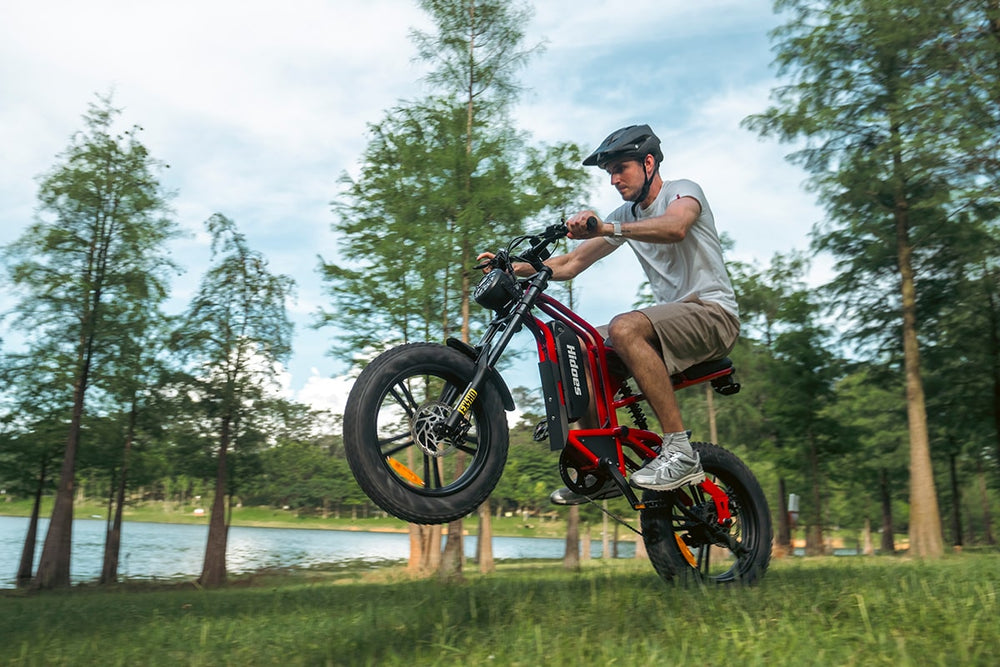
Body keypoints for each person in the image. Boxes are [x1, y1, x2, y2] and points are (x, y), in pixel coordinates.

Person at [481, 124, 740, 505]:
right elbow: (569, 263)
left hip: (713, 314)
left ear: (649, 162)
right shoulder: (625, 214)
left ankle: (680, 450)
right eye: (610, 173)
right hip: (672, 321)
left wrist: (608, 227)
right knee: (581, 345)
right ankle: (601, 467)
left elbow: (676, 227)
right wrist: (511, 268)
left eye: (622, 168)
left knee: (623, 327)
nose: (615, 179)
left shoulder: (682, 192)